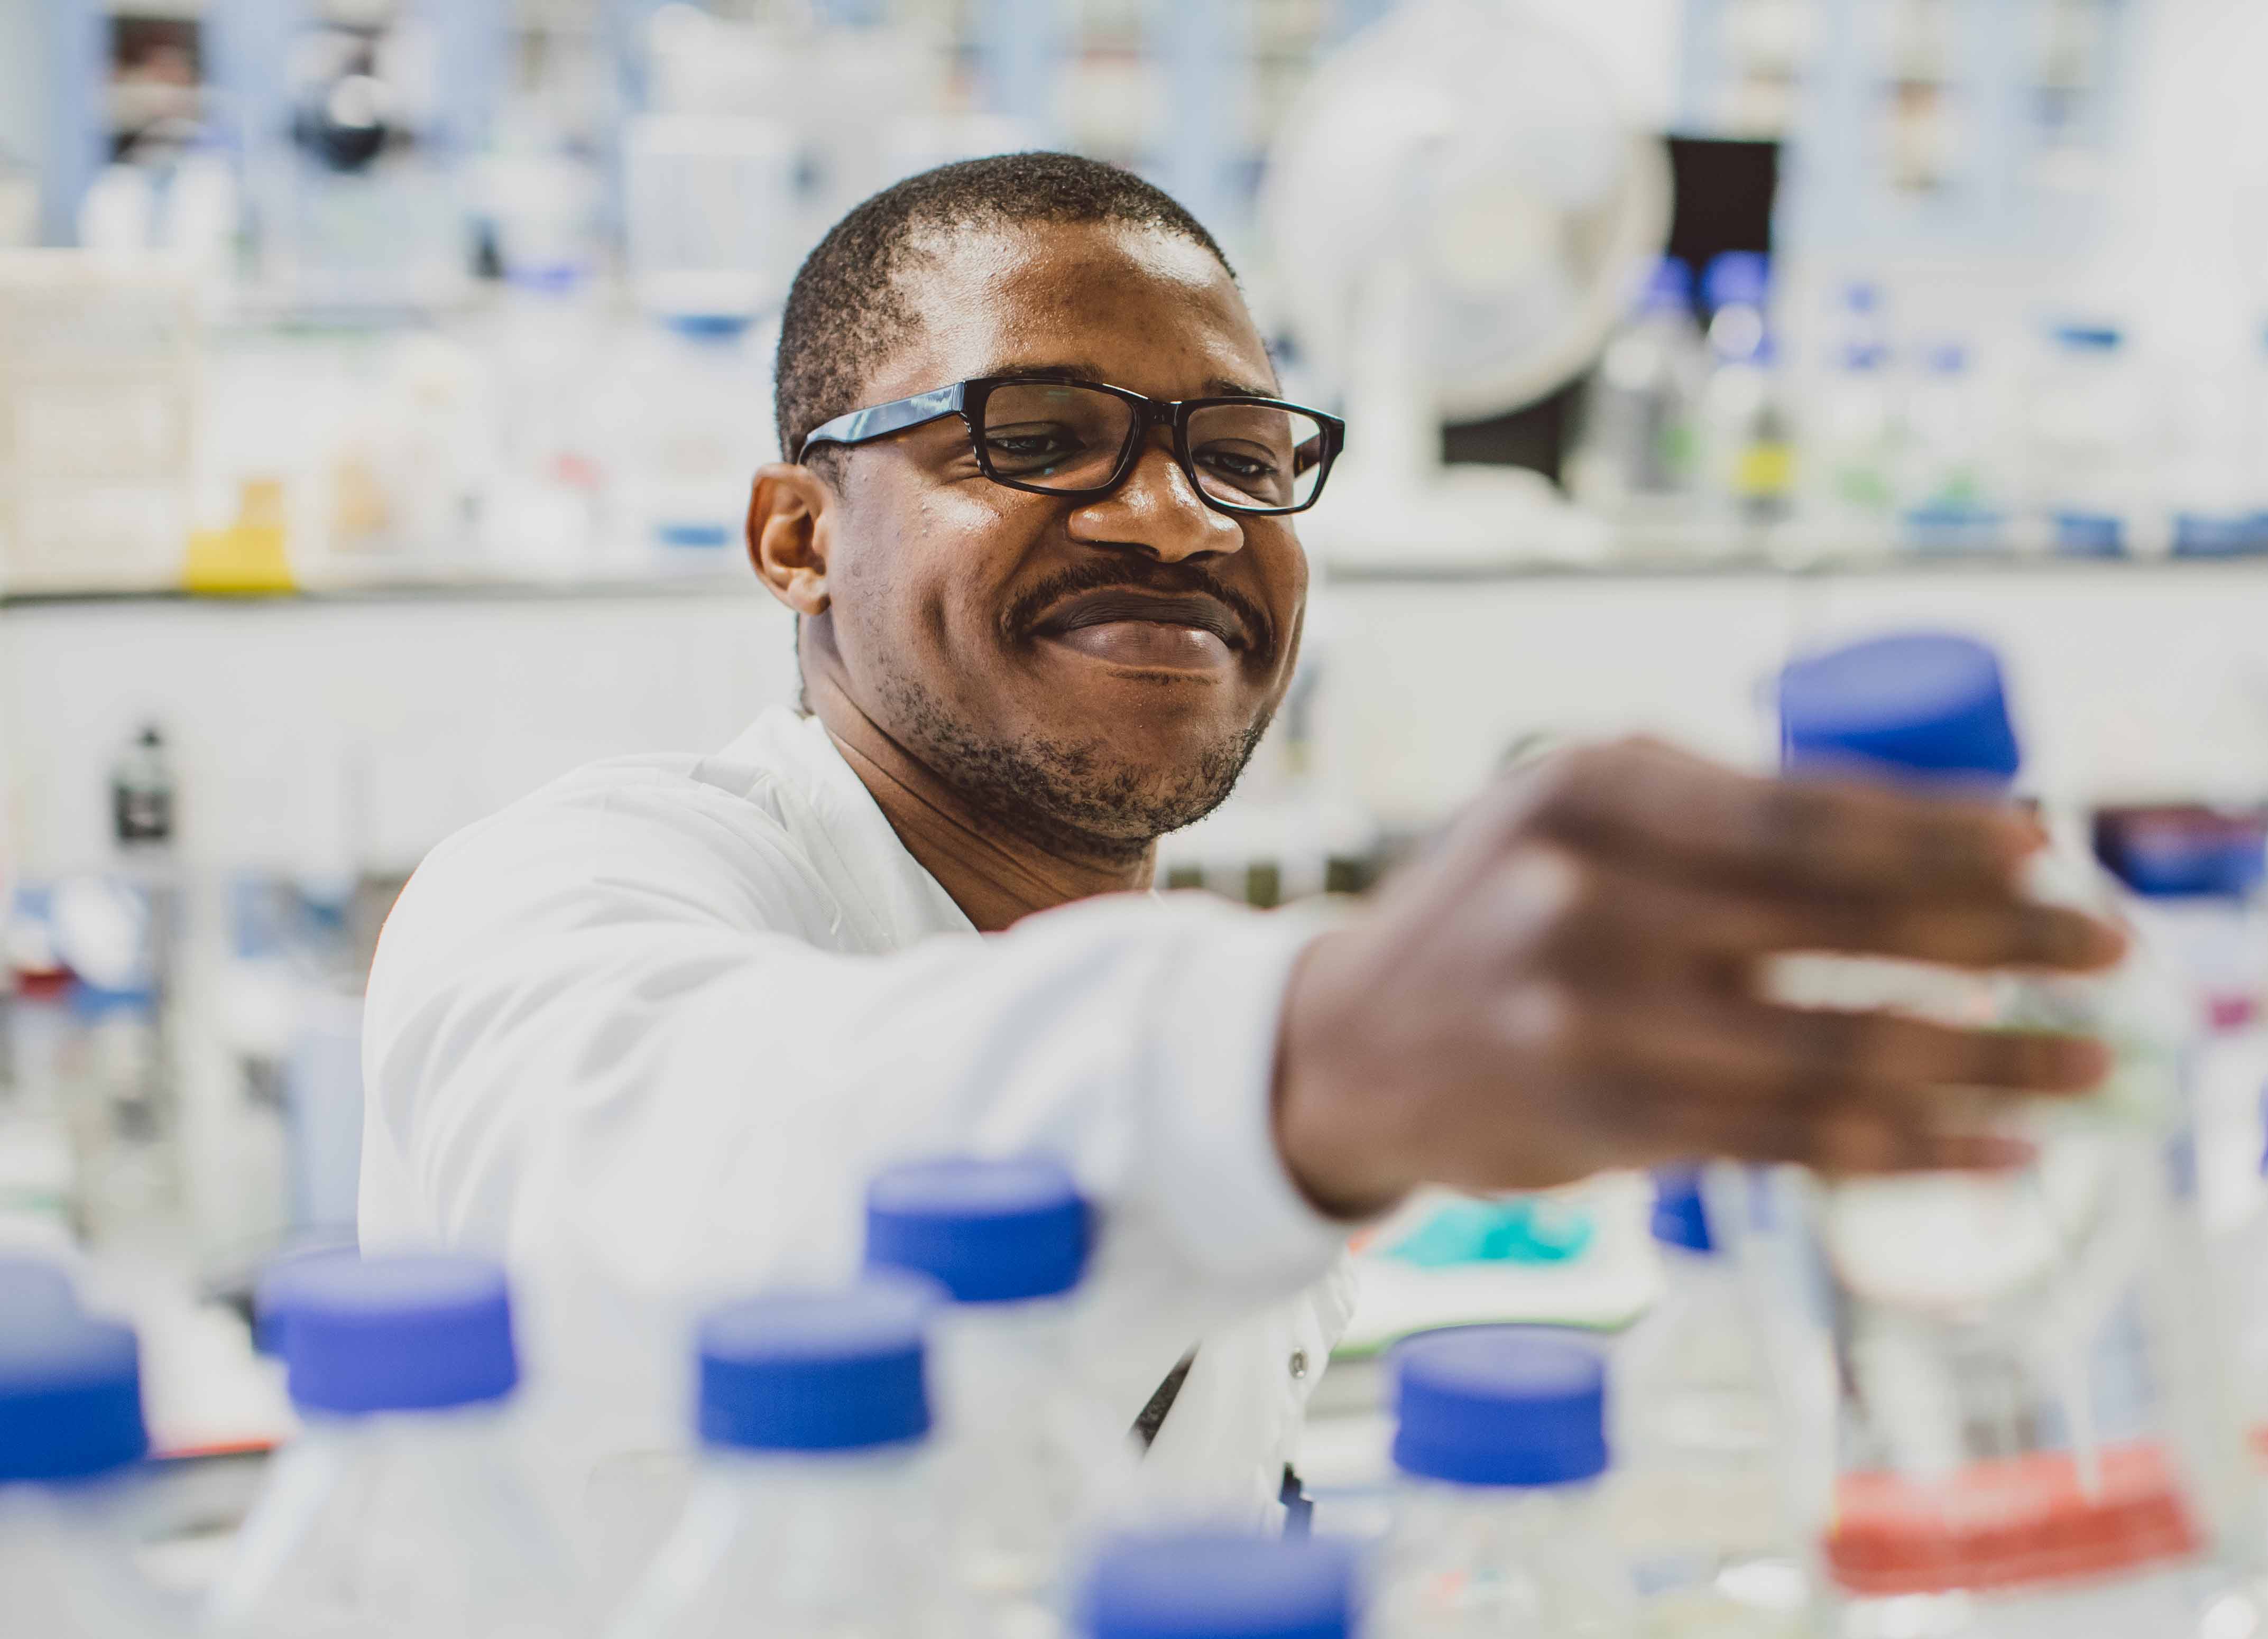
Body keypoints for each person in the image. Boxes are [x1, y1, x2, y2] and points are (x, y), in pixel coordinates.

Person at [359, 153, 2119, 1549]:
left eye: (1245, 453)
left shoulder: (1183, 1022)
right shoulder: (563, 897)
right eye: (1035, 438)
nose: (1177, 514)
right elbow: (699, 1187)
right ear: (796, 533)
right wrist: (1314, 1053)